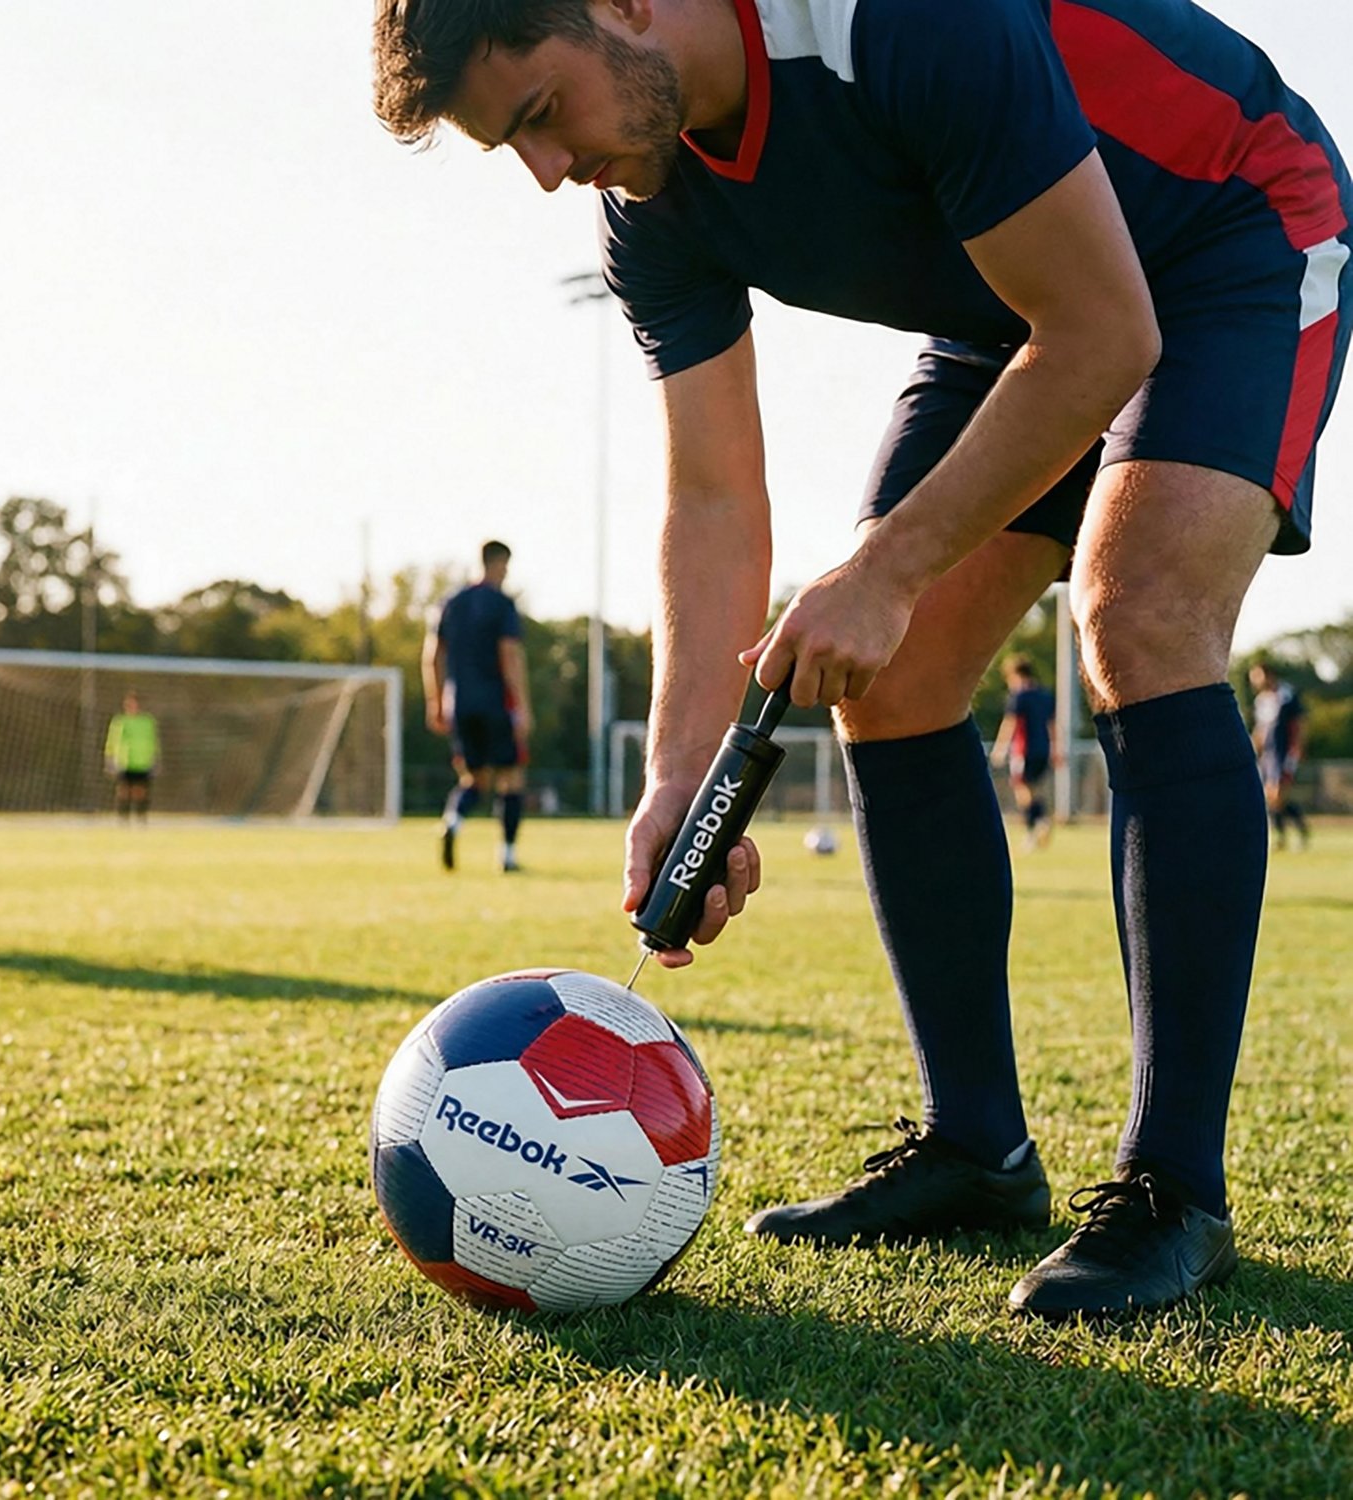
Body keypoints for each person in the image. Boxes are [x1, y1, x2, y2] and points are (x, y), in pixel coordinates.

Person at [373, 0, 1352, 1317]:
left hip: (1225, 225)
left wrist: (887, 571)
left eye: (542, 115)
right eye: (516, 151)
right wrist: (677, 775)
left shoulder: (891, 20)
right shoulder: (646, 204)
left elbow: (1108, 337)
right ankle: (977, 1151)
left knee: (1138, 614)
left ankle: (1173, 1187)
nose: (552, 173)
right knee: (884, 681)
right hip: (1017, 309)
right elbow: (714, 498)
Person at [423, 540, 532, 872]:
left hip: (462, 704)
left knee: (474, 778)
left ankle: (453, 821)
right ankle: (508, 856)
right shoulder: (501, 605)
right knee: (510, 777)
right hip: (497, 702)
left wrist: (437, 701)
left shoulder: (450, 603)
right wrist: (524, 706)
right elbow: (509, 655)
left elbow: (432, 656)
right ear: (499, 564)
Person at [989, 655, 1057, 849]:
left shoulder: (1018, 696)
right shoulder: (1045, 696)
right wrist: (1055, 750)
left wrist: (1000, 749)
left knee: (1022, 790)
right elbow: (1052, 725)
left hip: (1023, 750)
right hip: (1043, 748)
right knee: (1034, 789)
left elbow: (1011, 723)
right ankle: (1039, 822)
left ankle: (1037, 823)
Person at [1248, 662, 1312, 849]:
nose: (1255, 681)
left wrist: (1298, 748)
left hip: (1283, 752)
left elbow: (1299, 723)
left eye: (1257, 676)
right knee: (1271, 798)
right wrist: (1253, 747)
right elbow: (1260, 729)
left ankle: (1300, 832)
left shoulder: (1286, 695)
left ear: (1268, 675)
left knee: (1278, 796)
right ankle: (1283, 838)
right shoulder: (1261, 700)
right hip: (1267, 756)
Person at [104, 690, 159, 823]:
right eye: (129, 704)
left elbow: (153, 741)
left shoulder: (147, 721)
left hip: (142, 761)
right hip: (124, 761)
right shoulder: (119, 721)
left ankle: (141, 817)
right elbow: (112, 740)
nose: (131, 707)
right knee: (123, 790)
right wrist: (109, 759)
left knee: (140, 791)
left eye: (134, 704)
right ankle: (123, 818)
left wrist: (155, 758)